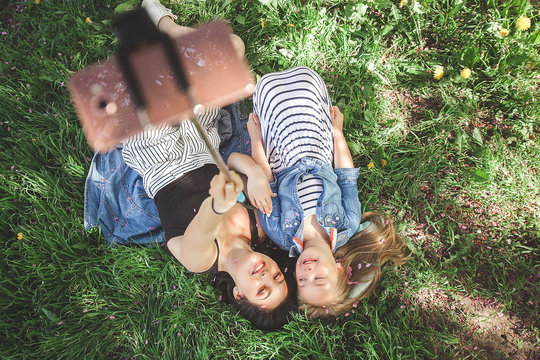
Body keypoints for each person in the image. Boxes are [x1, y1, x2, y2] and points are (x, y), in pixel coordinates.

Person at [118, 0, 297, 330]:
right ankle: (168, 29)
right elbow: (231, 159)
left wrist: (219, 205)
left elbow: (205, 222)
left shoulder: (201, 260)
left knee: (157, 83)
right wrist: (255, 173)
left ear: (241, 295)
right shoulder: (258, 224)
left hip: (158, 153)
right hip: (204, 143)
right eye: (277, 276)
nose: (266, 273)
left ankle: (159, 43)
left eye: (262, 288)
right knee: (233, 47)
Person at [228, 66, 407, 318]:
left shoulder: (280, 233)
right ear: (340, 269)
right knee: (307, 82)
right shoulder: (347, 223)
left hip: (280, 148)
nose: (308, 272)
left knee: (268, 89)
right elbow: (346, 178)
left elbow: (267, 182)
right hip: (318, 142)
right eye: (319, 278)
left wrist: (256, 139)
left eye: (302, 282)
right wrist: (338, 134)